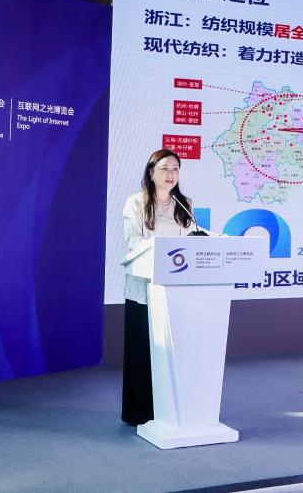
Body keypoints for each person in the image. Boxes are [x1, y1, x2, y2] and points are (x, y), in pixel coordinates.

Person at [120, 148, 193, 426]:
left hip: (174, 292)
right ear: (151, 173)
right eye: (164, 169)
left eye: (175, 169)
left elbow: (190, 243)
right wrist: (162, 253)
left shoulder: (184, 204)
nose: (170, 174)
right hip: (144, 290)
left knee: (170, 353)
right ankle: (139, 413)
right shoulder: (136, 203)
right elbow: (133, 241)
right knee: (142, 352)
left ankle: (168, 410)